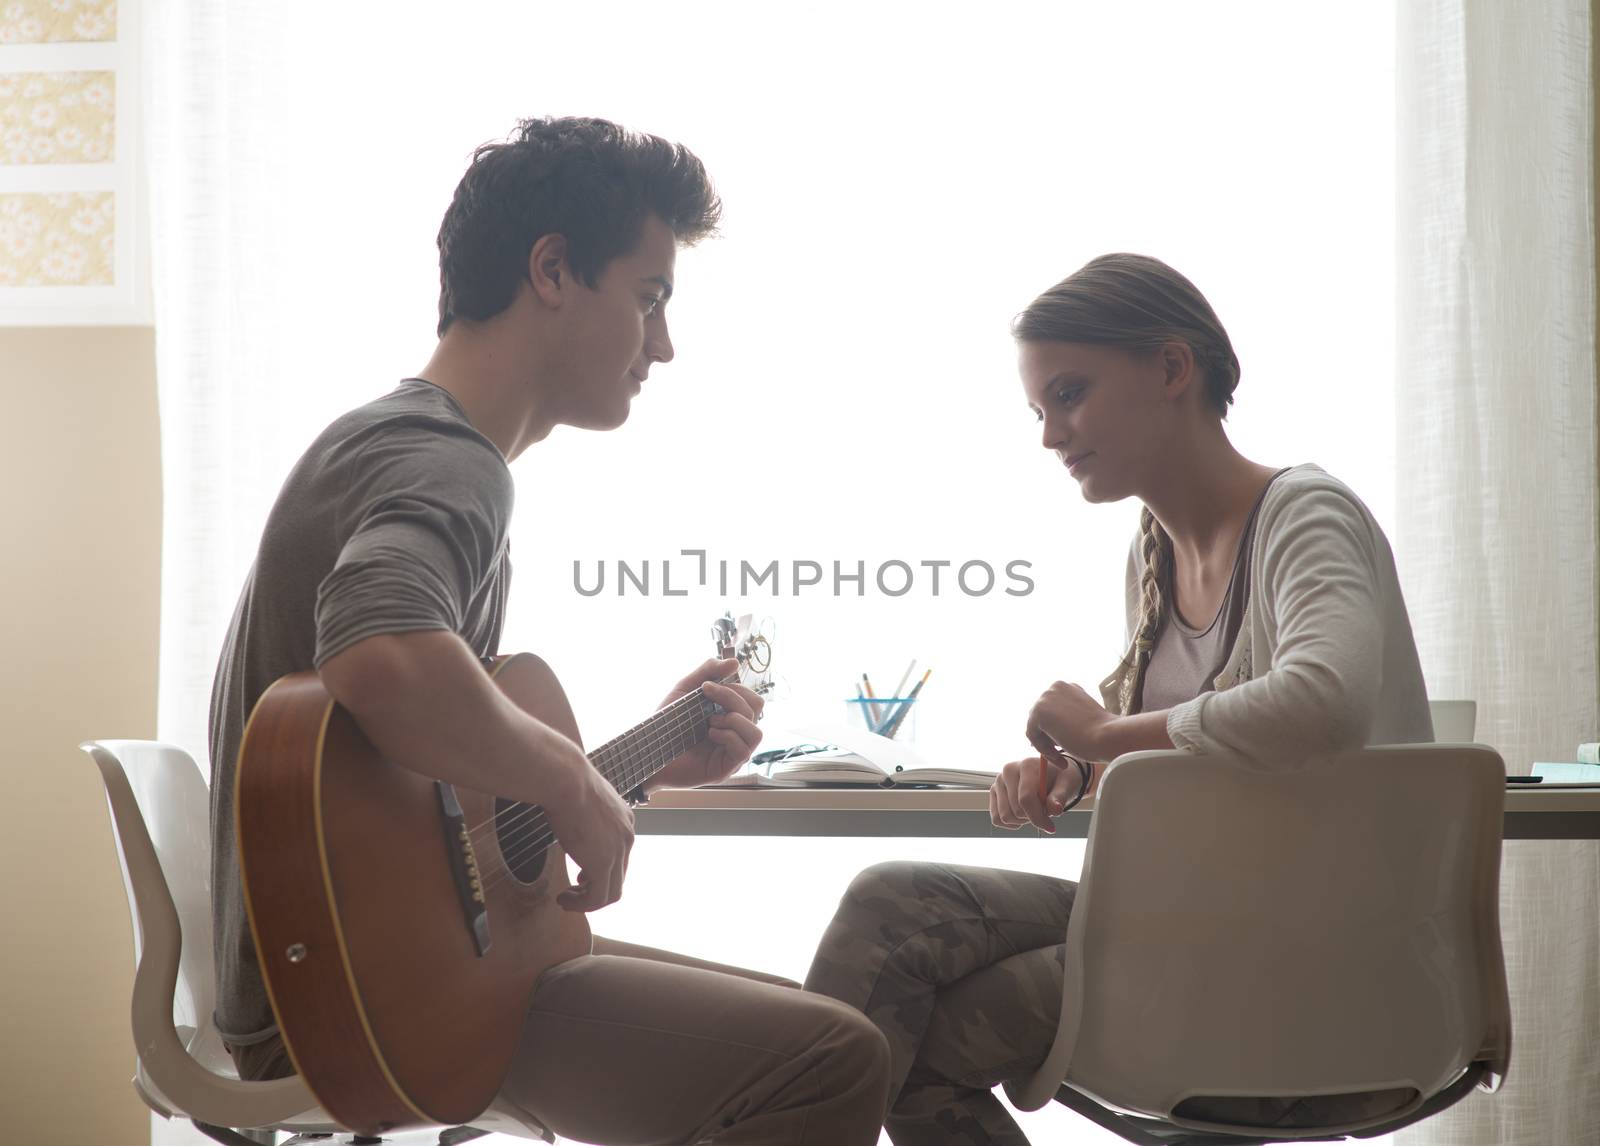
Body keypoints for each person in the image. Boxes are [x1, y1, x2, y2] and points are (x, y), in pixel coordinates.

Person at [208, 115, 890, 1145]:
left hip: (342, 983)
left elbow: (439, 821)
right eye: (650, 298)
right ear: (555, 270)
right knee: (833, 1061)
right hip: (352, 1011)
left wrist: (632, 761)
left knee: (811, 1026)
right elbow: (377, 653)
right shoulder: (448, 462)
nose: (663, 345)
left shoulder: (393, 444)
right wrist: (570, 779)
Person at [803, 253, 1433, 1145]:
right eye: (1039, 409)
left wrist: (1104, 731)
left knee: (908, 1038)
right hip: (1190, 916)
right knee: (890, 903)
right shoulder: (1151, 554)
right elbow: (1194, 766)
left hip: (1299, 955)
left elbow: (1320, 705)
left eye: (1070, 394)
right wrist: (1077, 772)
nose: (1051, 436)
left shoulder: (1305, 514)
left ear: (1173, 369)